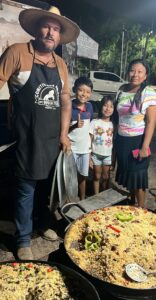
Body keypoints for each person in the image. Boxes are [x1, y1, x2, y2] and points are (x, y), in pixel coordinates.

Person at [0, 6, 80, 260]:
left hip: (52, 137)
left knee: (47, 185)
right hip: (26, 136)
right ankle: (23, 238)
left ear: (59, 36)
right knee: (26, 187)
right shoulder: (17, 53)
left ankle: (43, 224)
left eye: (56, 29)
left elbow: (66, 101)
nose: (50, 32)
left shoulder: (60, 64)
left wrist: (64, 133)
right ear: (37, 29)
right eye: (46, 26)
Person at [114, 59, 156, 207]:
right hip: (122, 140)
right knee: (128, 174)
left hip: (137, 141)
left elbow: (151, 122)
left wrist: (145, 147)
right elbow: (118, 117)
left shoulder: (149, 93)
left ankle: (141, 210)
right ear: (128, 72)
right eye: (133, 70)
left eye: (140, 72)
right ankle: (131, 203)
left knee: (138, 176)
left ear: (145, 75)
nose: (135, 74)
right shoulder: (122, 90)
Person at [68, 76, 93, 200]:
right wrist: (74, 126)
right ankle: (69, 200)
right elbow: (62, 131)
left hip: (84, 150)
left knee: (83, 176)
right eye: (81, 90)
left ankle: (82, 199)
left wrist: (90, 149)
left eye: (88, 92)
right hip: (71, 149)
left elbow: (89, 130)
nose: (84, 94)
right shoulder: (68, 107)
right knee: (69, 177)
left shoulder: (90, 107)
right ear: (74, 90)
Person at [89, 95, 114, 194]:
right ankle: (96, 196)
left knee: (105, 176)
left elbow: (114, 143)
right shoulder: (94, 122)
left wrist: (114, 159)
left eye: (111, 106)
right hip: (95, 154)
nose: (107, 108)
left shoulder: (113, 124)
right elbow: (89, 139)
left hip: (108, 155)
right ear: (101, 107)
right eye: (105, 105)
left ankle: (104, 193)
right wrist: (89, 155)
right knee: (96, 176)